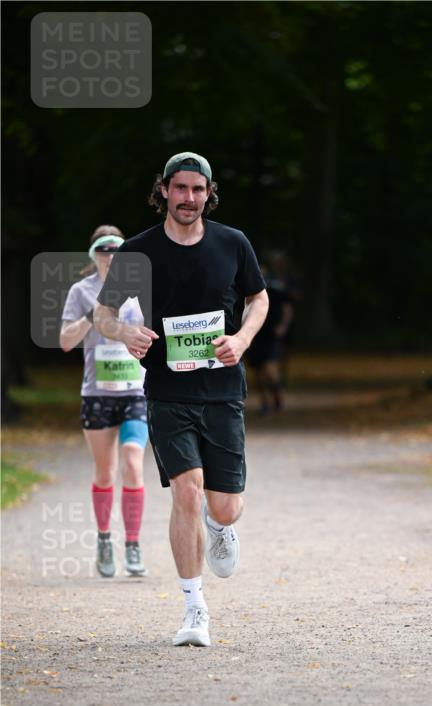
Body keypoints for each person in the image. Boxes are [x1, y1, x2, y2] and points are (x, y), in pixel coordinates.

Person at [94, 152, 269, 647]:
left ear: (208, 193)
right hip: (168, 391)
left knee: (225, 505)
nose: (188, 198)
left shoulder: (233, 244)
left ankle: (221, 525)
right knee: (187, 489)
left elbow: (258, 299)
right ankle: (194, 608)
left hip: (223, 391)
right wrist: (124, 330)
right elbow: (103, 315)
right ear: (164, 191)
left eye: (198, 190)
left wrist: (243, 340)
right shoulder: (137, 251)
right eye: (180, 189)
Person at [60, 225, 149, 578]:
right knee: (105, 471)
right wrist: (93, 314)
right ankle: (103, 540)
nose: (111, 256)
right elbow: (65, 341)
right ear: (94, 254)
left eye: (117, 250)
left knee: (133, 463)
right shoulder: (81, 291)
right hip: (97, 393)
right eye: (104, 250)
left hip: (135, 390)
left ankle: (132, 544)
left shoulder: (139, 289)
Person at [245, 263, 294, 414]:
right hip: (254, 334)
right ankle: (264, 402)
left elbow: (287, 309)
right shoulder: (246, 290)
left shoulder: (276, 291)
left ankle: (277, 394)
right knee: (258, 372)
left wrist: (282, 327)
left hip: (271, 335)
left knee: (270, 369)